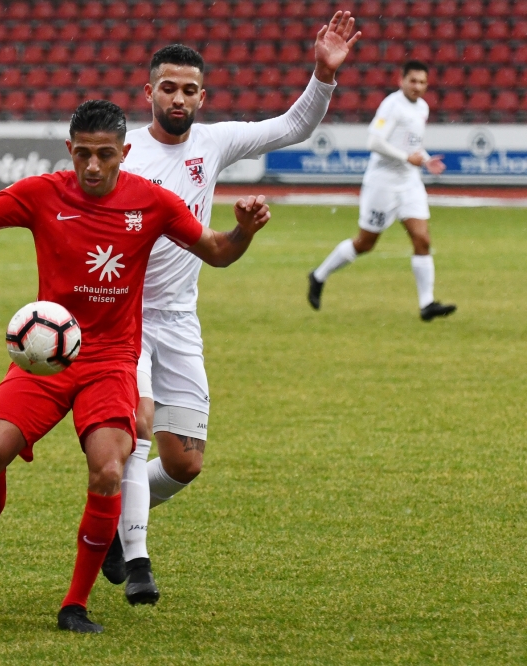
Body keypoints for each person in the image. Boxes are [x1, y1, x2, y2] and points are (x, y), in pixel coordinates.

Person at [0, 101, 271, 633]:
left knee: (110, 470)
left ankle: (75, 604)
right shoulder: (43, 192)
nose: (93, 166)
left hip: (112, 360)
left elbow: (217, 252)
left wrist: (245, 230)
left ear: (125, 154)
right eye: (84, 154)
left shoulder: (154, 203)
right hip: (46, 357)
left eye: (105, 155)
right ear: (70, 150)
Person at [100, 12, 361, 606]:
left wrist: (323, 73)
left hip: (181, 319)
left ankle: (122, 521)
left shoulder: (213, 143)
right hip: (124, 317)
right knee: (135, 433)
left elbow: (294, 126)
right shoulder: (121, 153)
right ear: (148, 92)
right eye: (168, 86)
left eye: (190, 89)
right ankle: (138, 563)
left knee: (186, 463)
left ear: (202, 96)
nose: (179, 97)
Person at [308, 60, 454, 321]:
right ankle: (319, 275)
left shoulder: (423, 107)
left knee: (423, 239)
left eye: (422, 82)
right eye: (413, 81)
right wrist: (406, 158)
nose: (417, 87)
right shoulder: (392, 105)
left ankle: (427, 303)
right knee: (365, 243)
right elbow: (374, 141)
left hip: (409, 182)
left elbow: (412, 145)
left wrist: (426, 158)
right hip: (383, 182)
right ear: (402, 80)